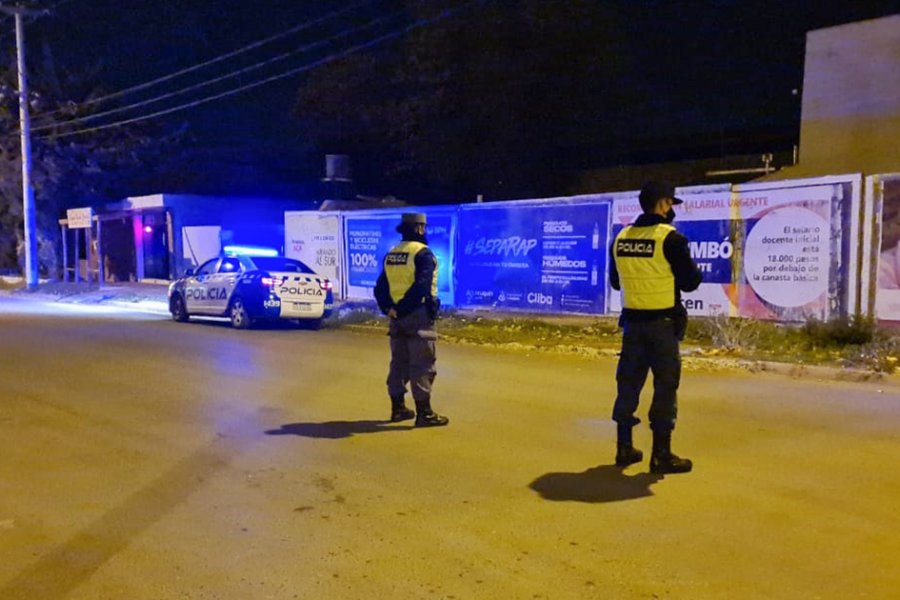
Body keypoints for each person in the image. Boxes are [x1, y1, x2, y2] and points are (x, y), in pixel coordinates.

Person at [609, 181, 703, 473]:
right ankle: (661, 454)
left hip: (632, 326)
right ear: (662, 203)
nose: (672, 209)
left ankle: (624, 448)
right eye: (671, 203)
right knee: (665, 387)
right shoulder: (671, 239)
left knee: (628, 385)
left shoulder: (620, 238)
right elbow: (691, 282)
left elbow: (615, 282)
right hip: (662, 327)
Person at [374, 212, 449, 427]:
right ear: (419, 229)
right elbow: (421, 288)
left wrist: (390, 309)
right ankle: (424, 413)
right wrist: (404, 309)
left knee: (399, 362)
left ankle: (398, 409)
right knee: (422, 364)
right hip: (418, 315)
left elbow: (380, 288)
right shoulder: (423, 254)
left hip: (396, 319)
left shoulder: (392, 254)